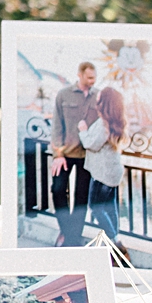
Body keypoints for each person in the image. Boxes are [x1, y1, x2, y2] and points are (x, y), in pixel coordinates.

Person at [48, 62, 100, 246]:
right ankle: (67, 230)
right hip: (65, 154)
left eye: (94, 77)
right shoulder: (64, 94)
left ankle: (73, 238)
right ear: (79, 75)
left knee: (81, 197)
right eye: (89, 77)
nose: (92, 81)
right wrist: (58, 154)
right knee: (57, 190)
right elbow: (57, 126)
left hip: (88, 156)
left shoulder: (98, 96)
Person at [83, 86, 126, 243]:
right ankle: (116, 237)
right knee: (111, 208)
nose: (96, 102)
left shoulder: (103, 125)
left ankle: (115, 241)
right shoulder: (115, 123)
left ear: (104, 104)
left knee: (96, 206)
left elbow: (91, 144)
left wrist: (82, 130)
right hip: (113, 173)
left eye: (99, 99)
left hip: (102, 174)